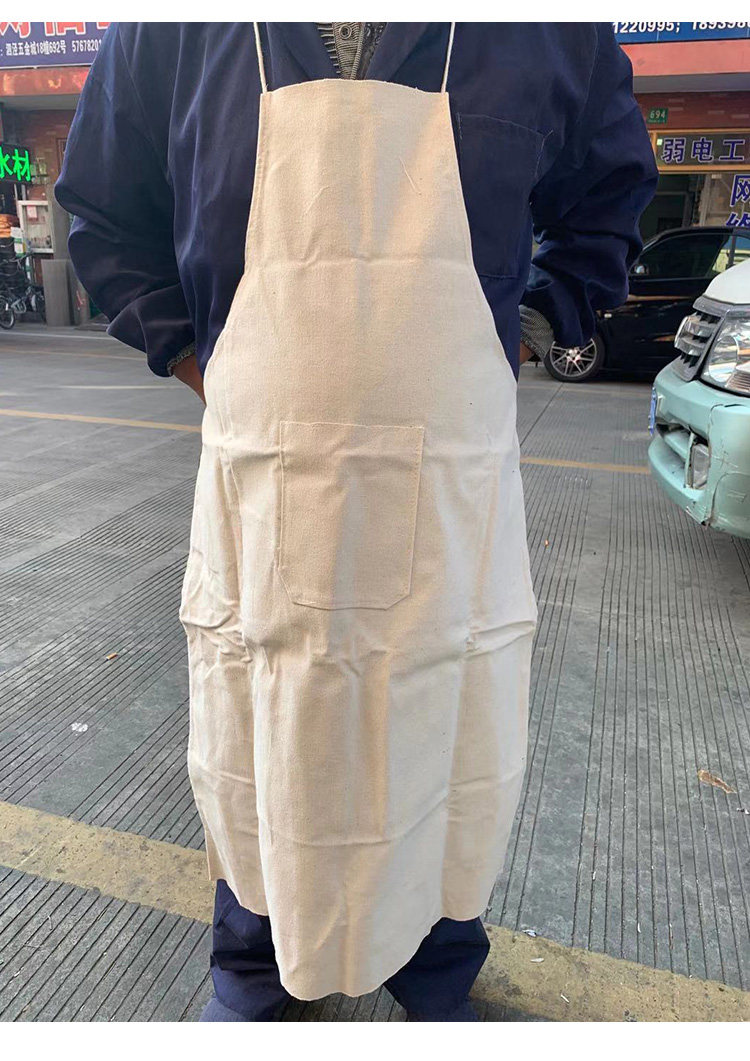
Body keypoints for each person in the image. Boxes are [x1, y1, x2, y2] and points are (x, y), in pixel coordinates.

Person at [56, 22, 657, 1022]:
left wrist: (532, 324)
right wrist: (194, 354)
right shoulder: (174, 30)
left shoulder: (548, 28)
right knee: (267, 710)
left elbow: (610, 195)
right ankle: (253, 959)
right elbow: (105, 212)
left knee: (442, 709)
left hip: (449, 483)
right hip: (264, 481)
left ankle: (438, 961)